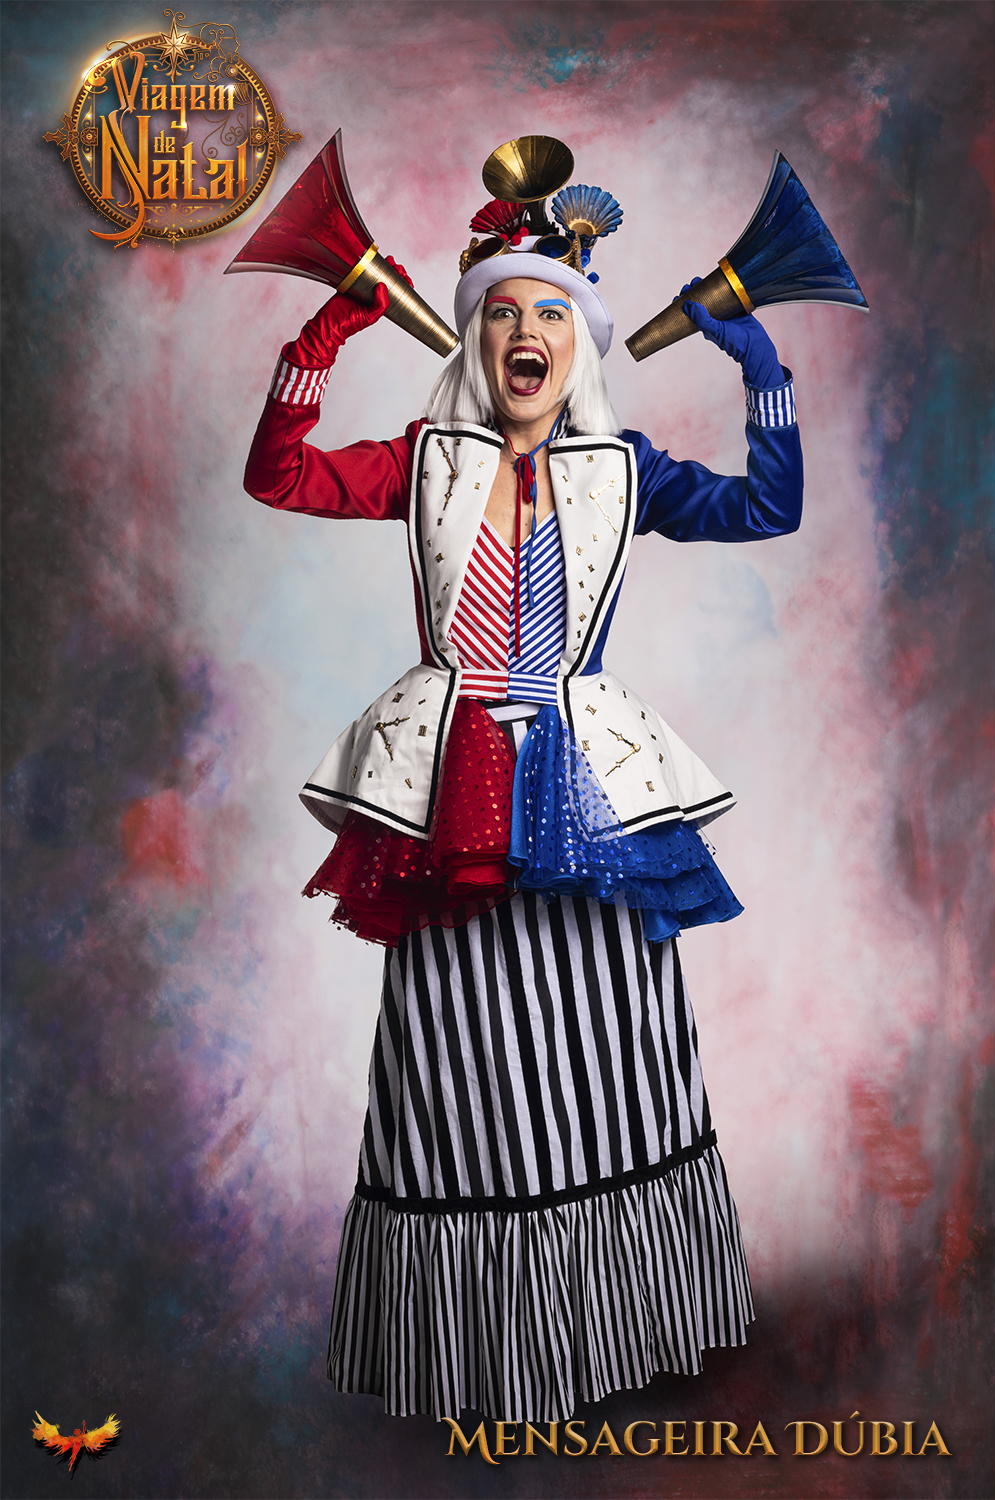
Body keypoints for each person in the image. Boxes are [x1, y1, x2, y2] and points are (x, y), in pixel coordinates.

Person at [243, 188, 803, 1422]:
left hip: (589, 785)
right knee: (450, 1058)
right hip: (450, 789)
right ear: (475, 338)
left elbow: (769, 508)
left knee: (618, 1048)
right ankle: (475, 1353)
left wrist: (757, 363)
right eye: (501, 314)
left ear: (580, 343)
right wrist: (325, 335)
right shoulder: (426, 458)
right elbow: (277, 478)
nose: (524, 333)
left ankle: (616, 1334)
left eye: (550, 313)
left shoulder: (620, 468)